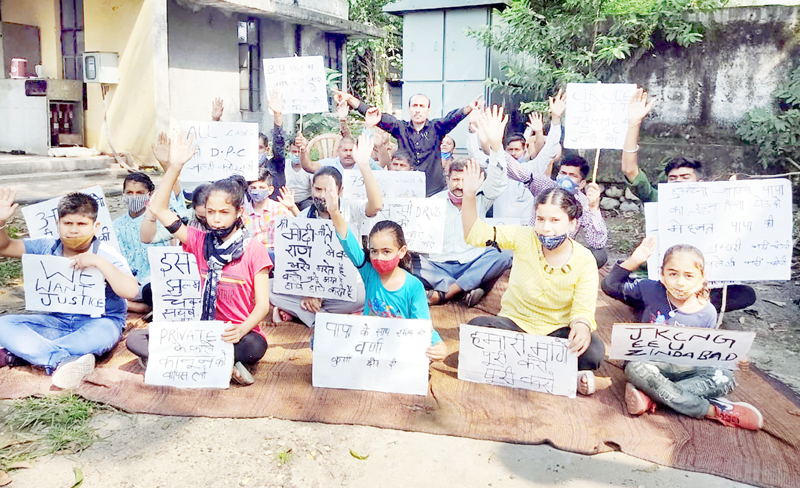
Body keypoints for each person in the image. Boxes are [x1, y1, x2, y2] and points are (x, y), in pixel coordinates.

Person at [127, 134, 272, 386]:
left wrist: (241, 329)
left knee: (256, 346)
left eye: (224, 212)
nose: (216, 219)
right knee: (136, 339)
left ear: (239, 212)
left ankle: (191, 361)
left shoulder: (254, 249)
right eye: (211, 212)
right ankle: (221, 364)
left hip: (234, 335)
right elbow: (160, 209)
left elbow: (262, 307)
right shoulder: (197, 240)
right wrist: (174, 167)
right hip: (198, 332)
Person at [460, 162, 604, 396]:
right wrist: (468, 196)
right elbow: (475, 234)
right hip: (515, 325)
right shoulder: (523, 236)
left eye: (555, 221)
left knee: (594, 352)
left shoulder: (585, 259)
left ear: (573, 223)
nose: (546, 228)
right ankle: (562, 372)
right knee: (476, 330)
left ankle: (524, 366)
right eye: (540, 219)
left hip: (557, 331)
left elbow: (583, 309)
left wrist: (581, 326)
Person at [601, 237, 764, 430]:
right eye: (673, 274)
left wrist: (732, 358)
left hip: (686, 370)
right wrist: (634, 261)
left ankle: (652, 398)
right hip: (650, 366)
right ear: (662, 275)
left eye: (689, 276)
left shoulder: (707, 312)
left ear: (701, 277)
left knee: (725, 377)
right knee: (634, 368)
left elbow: (706, 351)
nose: (680, 282)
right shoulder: (650, 289)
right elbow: (610, 286)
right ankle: (710, 411)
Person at [620, 88, 756, 312]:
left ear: (699, 181)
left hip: (698, 278)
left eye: (685, 177)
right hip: (663, 277)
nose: (679, 182)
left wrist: (736, 192)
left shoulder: (715, 201)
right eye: (673, 178)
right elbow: (629, 168)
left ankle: (690, 305)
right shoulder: (656, 198)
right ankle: (671, 302)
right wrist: (633, 123)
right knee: (624, 288)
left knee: (745, 294)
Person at [0, 190, 138, 389]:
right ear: (58, 225)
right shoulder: (46, 246)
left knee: (101, 335)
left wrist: (99, 262)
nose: (74, 230)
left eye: (81, 224)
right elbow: (4, 247)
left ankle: (21, 355)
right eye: (68, 223)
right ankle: (60, 359)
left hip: (99, 322)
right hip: (56, 323)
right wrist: (1, 223)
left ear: (95, 226)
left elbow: (131, 291)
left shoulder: (106, 253)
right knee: (3, 324)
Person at [325, 172, 447, 362]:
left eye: (386, 251)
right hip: (369, 344)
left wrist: (439, 345)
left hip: (399, 348)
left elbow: (423, 325)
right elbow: (348, 243)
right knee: (320, 341)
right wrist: (334, 212)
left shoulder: (414, 286)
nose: (378, 257)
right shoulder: (368, 273)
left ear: (401, 251)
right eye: (374, 251)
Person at [270, 133, 383, 328]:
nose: (323, 196)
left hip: (348, 288)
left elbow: (376, 205)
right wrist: (309, 292)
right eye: (318, 190)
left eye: (328, 190)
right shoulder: (304, 216)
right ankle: (324, 319)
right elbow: (297, 264)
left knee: (371, 293)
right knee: (268, 288)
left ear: (340, 191)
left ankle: (311, 316)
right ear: (312, 189)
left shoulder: (350, 208)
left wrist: (364, 166)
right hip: (312, 288)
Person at [414, 106, 512, 308]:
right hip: (438, 264)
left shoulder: (482, 197)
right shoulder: (432, 203)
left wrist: (495, 146)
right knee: (407, 259)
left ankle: (449, 292)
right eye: (455, 180)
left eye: (464, 180)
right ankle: (469, 286)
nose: (460, 185)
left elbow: (500, 180)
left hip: (472, 261)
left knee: (504, 253)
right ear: (447, 179)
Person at [335, 89, 479, 196]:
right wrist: (351, 99)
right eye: (414, 106)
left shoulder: (437, 128)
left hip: (434, 191)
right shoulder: (400, 128)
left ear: (429, 110)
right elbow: (376, 115)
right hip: (404, 190)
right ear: (409, 109)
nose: (418, 110)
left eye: (422, 106)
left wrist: (469, 108)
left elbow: (452, 118)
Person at [113, 172, 175, 313]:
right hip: (125, 282)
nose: (134, 197)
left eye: (140, 192)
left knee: (155, 291)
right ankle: (138, 307)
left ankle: (135, 305)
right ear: (123, 194)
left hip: (151, 282)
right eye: (129, 192)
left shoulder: (160, 221)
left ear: (150, 194)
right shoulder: (115, 225)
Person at [245, 168, 300, 262]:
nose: (257, 191)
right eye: (253, 188)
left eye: (262, 188)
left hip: (276, 256)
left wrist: (292, 207)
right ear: (248, 190)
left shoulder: (279, 209)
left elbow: (300, 227)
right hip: (251, 257)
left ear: (270, 190)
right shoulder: (243, 213)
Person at [285, 136, 314, 210]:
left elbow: (314, 188)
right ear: (289, 151)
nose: (297, 154)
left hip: (305, 200)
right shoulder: (284, 165)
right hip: (287, 199)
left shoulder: (310, 167)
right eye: (294, 152)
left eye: (299, 151)